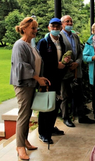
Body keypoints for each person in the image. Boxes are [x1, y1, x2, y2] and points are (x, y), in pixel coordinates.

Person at [10, 17, 50, 160]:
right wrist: (37, 78)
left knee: (27, 115)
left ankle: (24, 141)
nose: (35, 31)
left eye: (36, 28)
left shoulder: (30, 45)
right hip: (23, 85)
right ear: (24, 28)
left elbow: (36, 63)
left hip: (31, 83)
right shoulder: (19, 45)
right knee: (23, 115)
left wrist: (40, 78)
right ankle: (20, 146)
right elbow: (22, 66)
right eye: (33, 28)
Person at [60, 15, 95, 127]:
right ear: (62, 24)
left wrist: (77, 63)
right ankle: (66, 118)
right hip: (65, 71)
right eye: (67, 21)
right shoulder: (60, 37)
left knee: (79, 94)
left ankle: (81, 116)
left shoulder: (75, 36)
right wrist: (68, 64)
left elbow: (80, 52)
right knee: (65, 96)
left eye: (71, 21)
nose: (70, 23)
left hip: (77, 70)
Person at [37, 18, 66, 144]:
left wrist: (65, 63)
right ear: (49, 28)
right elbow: (40, 61)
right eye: (52, 26)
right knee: (45, 106)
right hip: (47, 79)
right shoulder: (43, 42)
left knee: (55, 104)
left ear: (60, 28)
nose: (55, 28)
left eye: (57, 26)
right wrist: (56, 65)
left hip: (58, 78)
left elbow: (63, 58)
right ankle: (43, 133)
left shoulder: (62, 42)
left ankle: (51, 127)